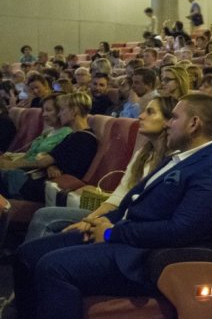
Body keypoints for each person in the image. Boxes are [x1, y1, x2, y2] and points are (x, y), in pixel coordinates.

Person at [10, 93, 212, 319]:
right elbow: (133, 202)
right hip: (124, 237)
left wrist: (111, 232)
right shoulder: (179, 157)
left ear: (194, 124)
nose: (168, 124)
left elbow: (181, 231)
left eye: (174, 117)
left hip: (144, 257)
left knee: (53, 267)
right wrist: (100, 220)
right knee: (27, 255)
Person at [24, 96, 178, 241]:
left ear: (169, 121)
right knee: (44, 215)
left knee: (46, 222)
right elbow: (119, 196)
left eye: (150, 112)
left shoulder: (175, 160)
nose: (141, 116)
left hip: (128, 226)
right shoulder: (143, 154)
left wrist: (103, 225)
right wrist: (92, 218)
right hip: (115, 215)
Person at [0, 92, 98, 202]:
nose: (59, 115)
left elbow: (42, 162)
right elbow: (56, 159)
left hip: (53, 189)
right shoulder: (77, 135)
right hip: (48, 183)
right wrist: (52, 166)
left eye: (62, 110)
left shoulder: (81, 137)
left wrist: (10, 165)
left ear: (74, 112)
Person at [0, 94, 71, 171]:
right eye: (43, 111)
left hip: (31, 172)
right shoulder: (48, 132)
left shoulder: (67, 133)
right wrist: (10, 156)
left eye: (49, 110)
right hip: (20, 166)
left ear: (61, 111)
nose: (44, 114)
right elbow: (29, 155)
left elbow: (48, 162)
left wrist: (12, 164)